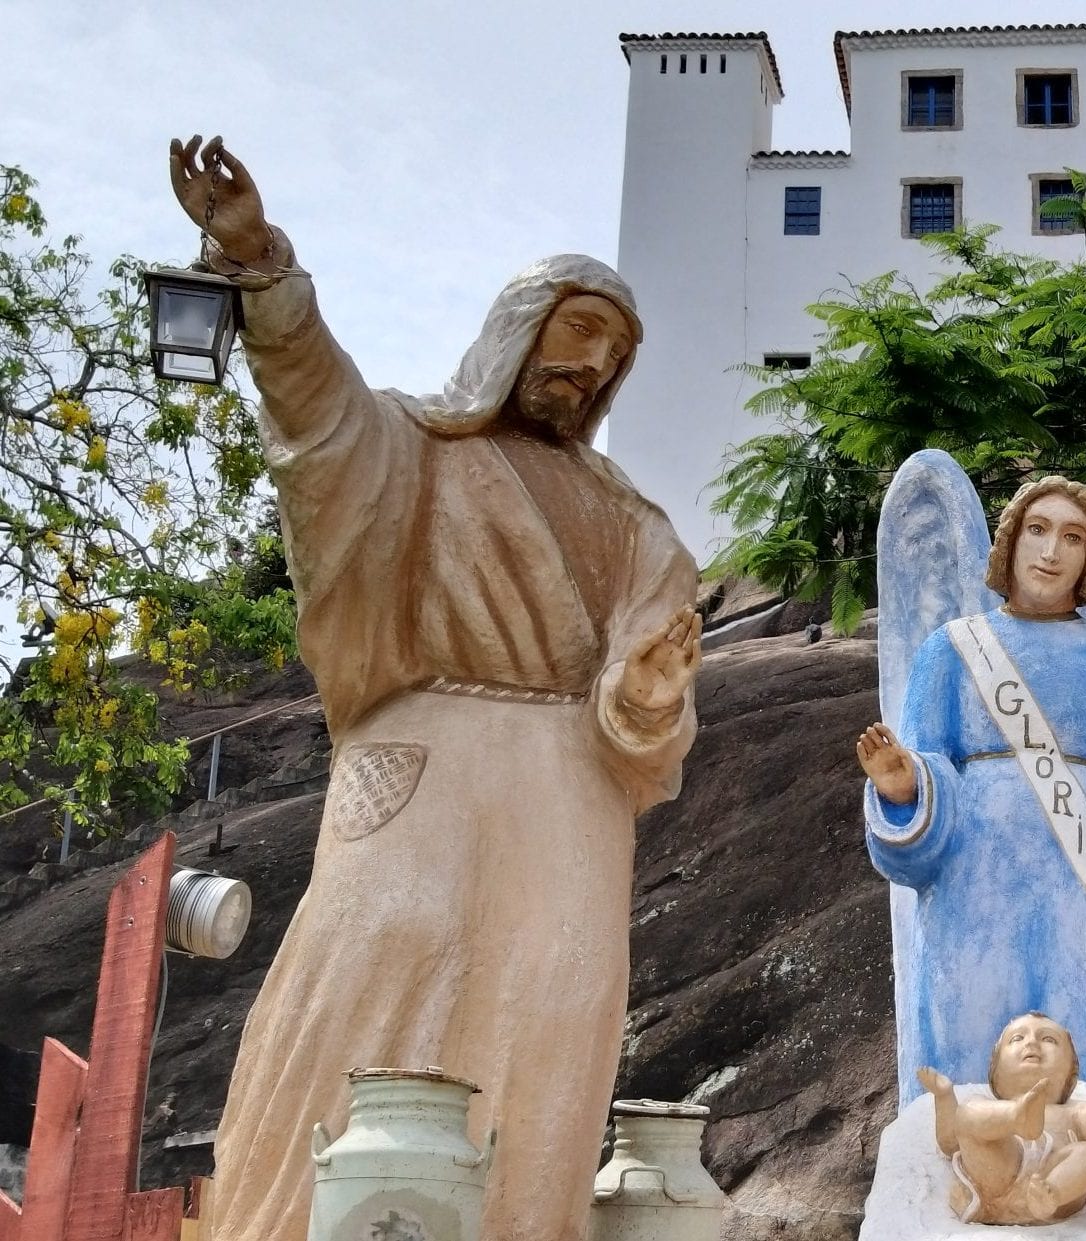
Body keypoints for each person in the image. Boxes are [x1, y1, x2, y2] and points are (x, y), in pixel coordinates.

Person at [166, 136, 701, 1241]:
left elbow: (656, 685)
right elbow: (317, 417)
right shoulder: (415, 444)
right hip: (423, 757)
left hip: (572, 782)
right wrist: (261, 263)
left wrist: (647, 689)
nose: (594, 362)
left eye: (614, 349)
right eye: (579, 328)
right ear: (520, 326)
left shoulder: (636, 521)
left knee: (555, 998)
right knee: (372, 961)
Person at [854, 475, 1086, 1124]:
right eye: (1037, 530)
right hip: (975, 882)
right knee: (967, 1029)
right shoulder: (950, 650)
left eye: (1072, 536)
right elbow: (928, 769)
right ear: (1009, 543)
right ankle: (966, 1185)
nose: (1051, 550)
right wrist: (902, 786)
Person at [915, 1014, 1086, 1224]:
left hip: (1052, 1185)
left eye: (1048, 1039)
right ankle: (1017, 1117)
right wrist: (944, 1097)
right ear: (995, 1073)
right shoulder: (988, 1106)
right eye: (1017, 1038)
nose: (1031, 1042)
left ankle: (1050, 1194)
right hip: (994, 1178)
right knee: (968, 1112)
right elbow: (950, 1143)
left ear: (1070, 1073)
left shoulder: (1072, 1111)